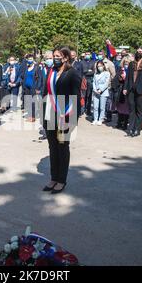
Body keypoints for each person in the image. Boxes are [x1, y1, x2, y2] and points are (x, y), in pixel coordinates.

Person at [42, 47, 82, 194]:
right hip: (50, 113)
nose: (54, 58)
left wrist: (70, 118)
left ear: (65, 58)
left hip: (65, 115)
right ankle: (53, 178)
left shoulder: (73, 73)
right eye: (54, 56)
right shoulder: (51, 71)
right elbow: (46, 92)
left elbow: (75, 97)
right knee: (53, 146)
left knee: (62, 147)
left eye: (57, 56)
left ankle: (61, 180)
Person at [123, 48, 142, 137]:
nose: (138, 53)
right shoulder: (132, 63)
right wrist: (125, 88)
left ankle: (137, 129)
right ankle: (131, 128)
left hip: (141, 90)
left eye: (140, 52)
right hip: (131, 89)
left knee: (139, 110)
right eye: (137, 51)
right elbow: (128, 77)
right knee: (132, 109)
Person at [21, 54, 42, 122]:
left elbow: (40, 78)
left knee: (33, 102)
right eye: (28, 59)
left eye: (31, 59)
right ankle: (30, 115)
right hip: (26, 87)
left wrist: (38, 88)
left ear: (33, 59)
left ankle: (32, 117)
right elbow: (23, 76)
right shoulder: (26, 67)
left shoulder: (37, 67)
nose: (30, 60)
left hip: (33, 87)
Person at [97, 50, 116, 122]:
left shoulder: (109, 63)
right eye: (98, 54)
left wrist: (108, 82)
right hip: (98, 86)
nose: (99, 55)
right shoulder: (97, 62)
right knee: (99, 101)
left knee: (108, 102)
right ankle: (99, 116)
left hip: (107, 86)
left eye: (101, 54)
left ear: (104, 55)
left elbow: (113, 74)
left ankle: (108, 116)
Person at [113, 56, 131, 130]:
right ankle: (119, 122)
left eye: (128, 62)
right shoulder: (120, 70)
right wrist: (119, 78)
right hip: (120, 91)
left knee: (126, 109)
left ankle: (125, 123)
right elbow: (115, 79)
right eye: (125, 62)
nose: (126, 64)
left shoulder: (131, 71)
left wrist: (126, 78)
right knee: (120, 108)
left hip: (127, 91)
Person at [92, 61, 110, 126]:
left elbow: (106, 83)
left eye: (100, 66)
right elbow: (93, 82)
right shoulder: (95, 74)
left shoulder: (107, 73)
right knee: (95, 107)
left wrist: (101, 90)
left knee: (102, 107)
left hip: (103, 92)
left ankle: (100, 119)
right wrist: (95, 89)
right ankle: (95, 119)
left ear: (103, 66)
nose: (99, 67)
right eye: (98, 66)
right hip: (96, 92)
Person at [81, 52, 96, 117]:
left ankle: (88, 110)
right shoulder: (81, 62)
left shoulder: (93, 62)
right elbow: (82, 71)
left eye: (88, 54)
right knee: (83, 95)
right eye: (86, 54)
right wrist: (88, 71)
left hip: (90, 80)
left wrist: (87, 71)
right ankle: (82, 110)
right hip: (83, 80)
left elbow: (93, 71)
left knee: (89, 96)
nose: (87, 55)